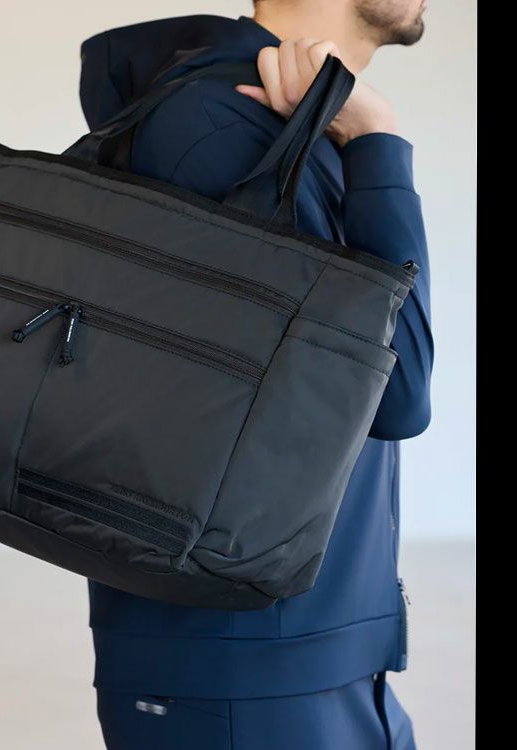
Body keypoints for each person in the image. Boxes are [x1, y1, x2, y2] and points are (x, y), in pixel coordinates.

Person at [78, 2, 433, 748]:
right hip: (247, 682)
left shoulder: (292, 129)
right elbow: (394, 394)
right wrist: (379, 141)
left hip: (309, 662)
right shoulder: (221, 125)